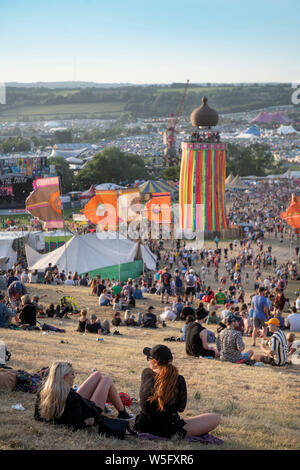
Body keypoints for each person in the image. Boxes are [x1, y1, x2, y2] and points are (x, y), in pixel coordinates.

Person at [133, 345, 220, 438]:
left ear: (154, 362)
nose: (148, 361)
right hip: (169, 430)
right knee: (215, 418)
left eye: (148, 358)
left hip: (143, 426)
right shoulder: (179, 379)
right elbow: (181, 408)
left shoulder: (146, 373)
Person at [34, 362, 133, 431]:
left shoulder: (43, 391)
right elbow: (76, 425)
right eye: (72, 374)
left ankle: (122, 412)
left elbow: (37, 416)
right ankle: (122, 412)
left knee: (97, 374)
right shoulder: (71, 396)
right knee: (106, 379)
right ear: (64, 377)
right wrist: (88, 422)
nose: (74, 377)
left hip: (79, 403)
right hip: (92, 410)